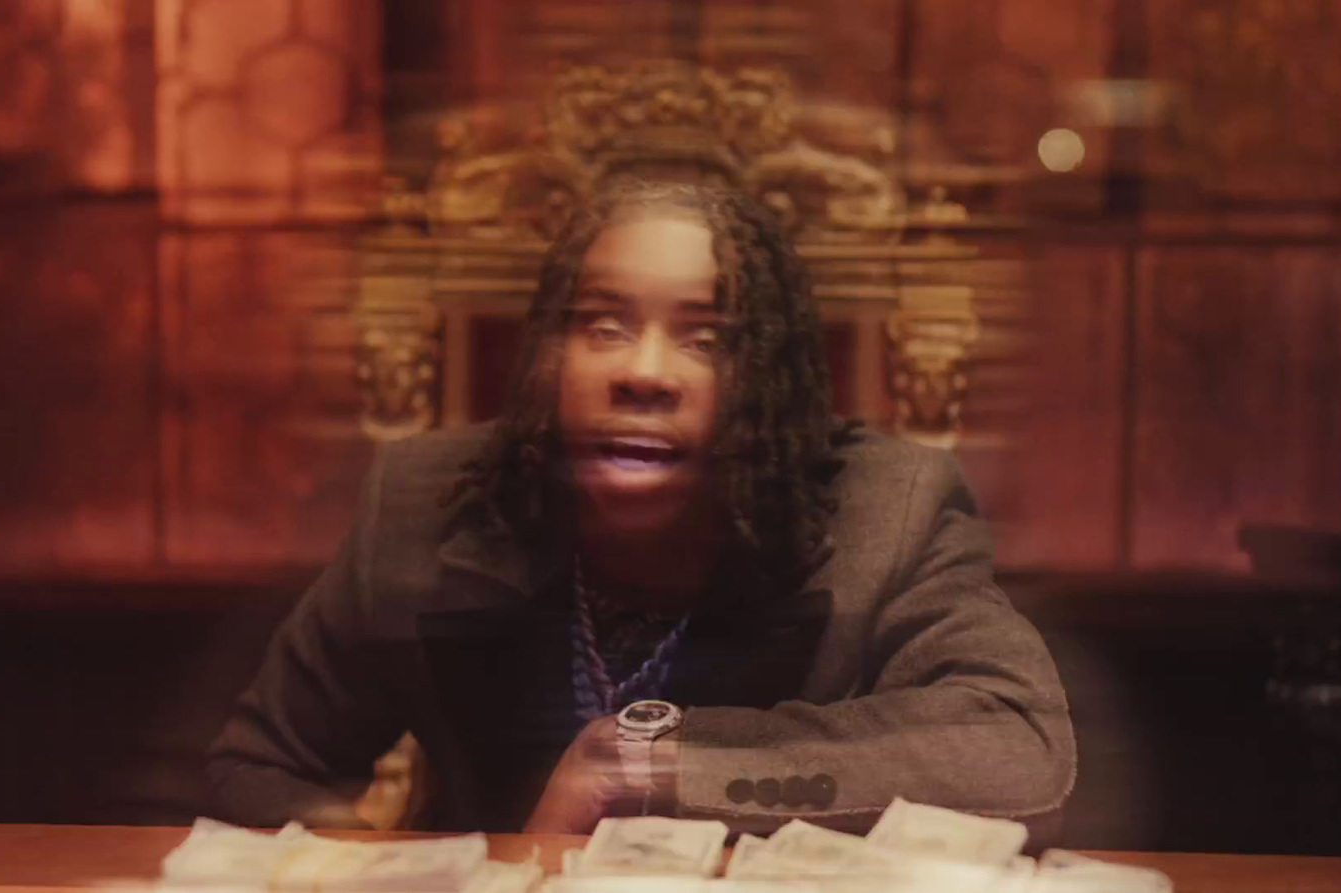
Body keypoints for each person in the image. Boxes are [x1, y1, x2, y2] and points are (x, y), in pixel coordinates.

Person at [207, 181, 1075, 838]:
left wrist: (653, 769)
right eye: (603, 325)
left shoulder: (886, 510)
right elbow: (258, 770)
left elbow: (1016, 744)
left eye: (707, 338)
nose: (645, 373)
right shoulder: (427, 502)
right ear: (545, 354)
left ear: (770, 383)